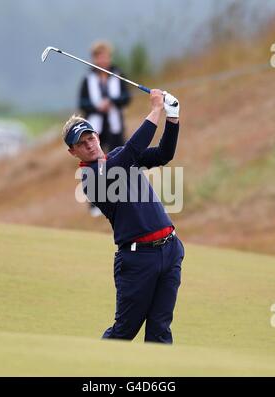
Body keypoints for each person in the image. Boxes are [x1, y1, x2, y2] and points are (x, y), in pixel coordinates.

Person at [63, 89, 184, 344]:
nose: (89, 143)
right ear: (73, 152)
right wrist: (155, 109)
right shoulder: (89, 178)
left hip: (170, 249)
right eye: (81, 143)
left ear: (97, 135)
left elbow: (164, 154)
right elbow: (131, 152)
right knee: (123, 332)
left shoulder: (118, 155)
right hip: (138, 259)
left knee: (160, 331)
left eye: (90, 137)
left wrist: (172, 119)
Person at [78, 41, 131, 217]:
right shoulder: (88, 78)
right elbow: (82, 103)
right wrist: (97, 106)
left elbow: (126, 97)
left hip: (115, 125)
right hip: (96, 128)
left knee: (118, 160)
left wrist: (112, 102)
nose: (102, 60)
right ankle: (95, 203)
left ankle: (118, 198)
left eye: (105, 56)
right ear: (94, 59)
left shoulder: (118, 74)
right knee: (95, 164)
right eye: (98, 56)